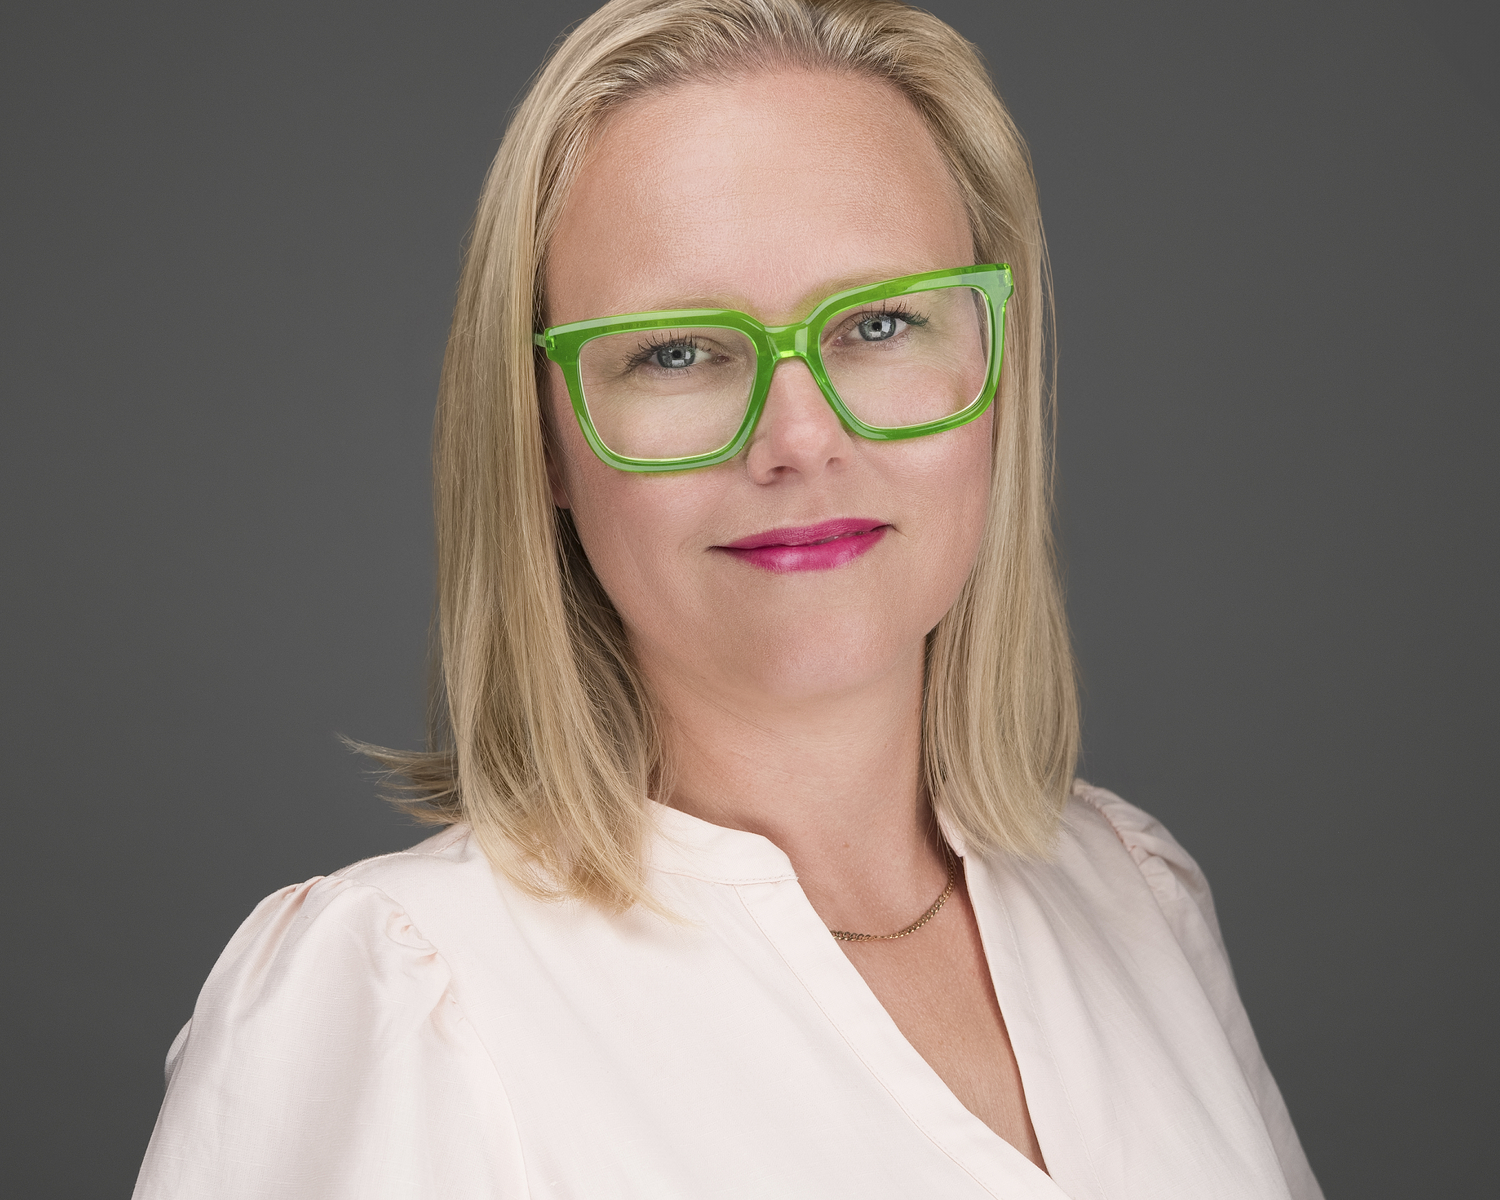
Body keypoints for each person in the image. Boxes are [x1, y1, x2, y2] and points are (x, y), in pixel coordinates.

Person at [133, 1, 1323, 1196]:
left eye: (881, 322)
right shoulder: (403, 997)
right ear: (541, 437)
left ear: (996, 366)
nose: (799, 440)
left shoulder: (1133, 894)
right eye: (678, 352)